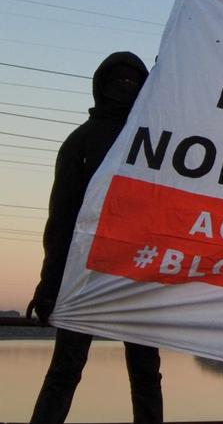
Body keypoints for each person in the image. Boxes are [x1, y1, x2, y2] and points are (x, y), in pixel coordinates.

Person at [27, 51, 163, 424]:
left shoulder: (155, 140)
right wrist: (50, 284)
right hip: (83, 276)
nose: (125, 87)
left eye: (133, 81)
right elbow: (61, 219)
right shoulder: (81, 142)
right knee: (65, 372)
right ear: (101, 86)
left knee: (146, 376)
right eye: (117, 81)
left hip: (135, 275)